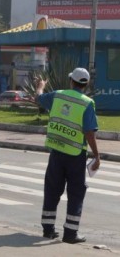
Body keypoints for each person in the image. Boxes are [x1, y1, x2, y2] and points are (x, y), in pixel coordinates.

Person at [35, 67, 100, 244]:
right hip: (75, 155)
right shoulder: (87, 103)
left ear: (71, 80)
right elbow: (89, 132)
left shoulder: (57, 95)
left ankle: (48, 230)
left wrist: (40, 86)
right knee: (76, 193)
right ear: (85, 85)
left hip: (57, 152)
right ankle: (70, 234)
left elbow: (39, 98)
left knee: (52, 190)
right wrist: (96, 155)